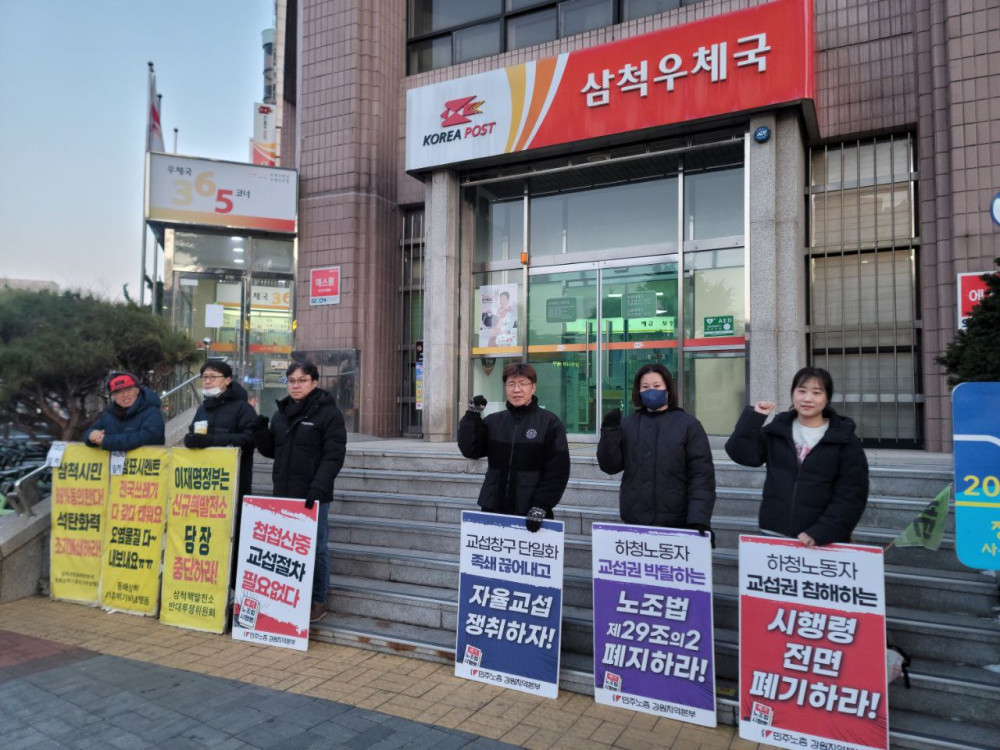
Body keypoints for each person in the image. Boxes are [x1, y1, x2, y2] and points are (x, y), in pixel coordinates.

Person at [725, 366, 869, 547]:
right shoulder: (778, 430)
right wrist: (754, 418)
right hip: (773, 532)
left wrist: (822, 531)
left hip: (820, 540)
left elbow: (852, 494)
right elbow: (741, 454)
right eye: (801, 391)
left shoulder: (844, 439)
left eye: (816, 393)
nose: (807, 398)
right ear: (793, 394)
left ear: (827, 399)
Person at [252, 362, 346, 622]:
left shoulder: (328, 414)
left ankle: (318, 600)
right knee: (286, 550)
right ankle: (290, 598)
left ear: (314, 383)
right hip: (283, 493)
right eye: (291, 381)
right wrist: (260, 432)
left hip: (313, 495)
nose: (296, 385)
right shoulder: (281, 414)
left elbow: (334, 456)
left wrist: (319, 487)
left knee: (316, 549)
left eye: (302, 380)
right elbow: (273, 451)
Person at [596, 364, 716, 540]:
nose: (651, 391)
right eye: (645, 387)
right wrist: (610, 433)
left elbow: (701, 476)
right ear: (638, 391)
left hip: (677, 522)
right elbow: (610, 466)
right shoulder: (628, 424)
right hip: (635, 520)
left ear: (668, 389)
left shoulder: (688, 425)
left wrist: (699, 518)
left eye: (657, 386)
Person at [458, 362, 570, 531]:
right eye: (511, 384)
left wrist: (541, 505)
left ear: (533, 387)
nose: (516, 390)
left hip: (531, 512)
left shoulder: (550, 423)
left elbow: (558, 471)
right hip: (493, 507)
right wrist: (472, 417)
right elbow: (470, 450)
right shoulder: (493, 421)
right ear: (505, 388)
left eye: (522, 384)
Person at [183, 360, 257, 587]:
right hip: (205, 486)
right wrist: (192, 440)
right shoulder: (203, 408)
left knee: (232, 534)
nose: (207, 381)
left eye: (213, 377)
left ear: (227, 380)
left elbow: (249, 439)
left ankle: (233, 584)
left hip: (234, 484)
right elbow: (192, 435)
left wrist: (212, 440)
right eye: (204, 377)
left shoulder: (242, 408)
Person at [84, 372, 165, 451]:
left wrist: (106, 441)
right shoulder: (109, 414)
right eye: (119, 392)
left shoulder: (151, 412)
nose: (125, 395)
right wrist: (92, 435)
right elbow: (90, 431)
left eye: (129, 390)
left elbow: (150, 437)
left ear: (137, 391)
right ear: (114, 396)